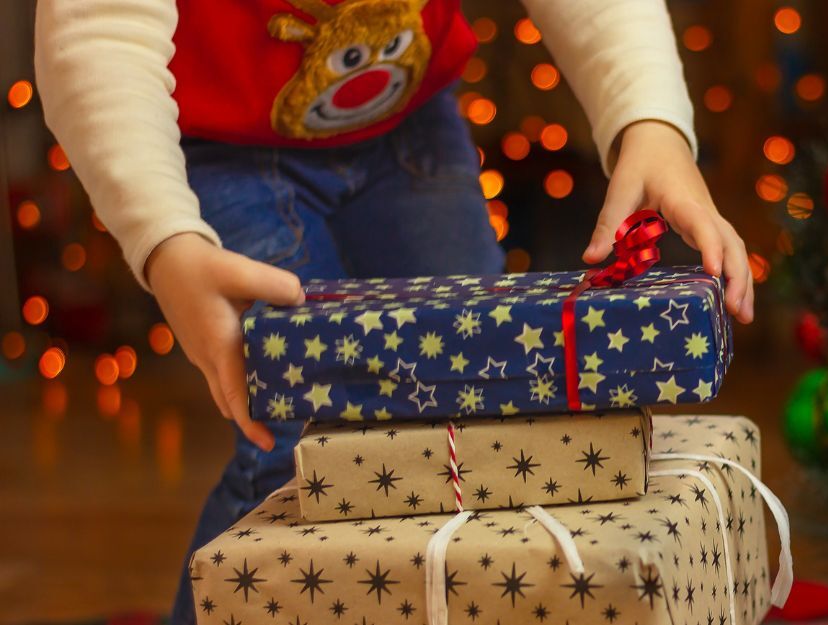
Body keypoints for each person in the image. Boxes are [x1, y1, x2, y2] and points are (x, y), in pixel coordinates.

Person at [34, 0, 754, 621]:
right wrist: (165, 238)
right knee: (293, 447)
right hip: (217, 148)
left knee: (485, 403)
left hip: (410, 128)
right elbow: (97, 34)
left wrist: (650, 122)